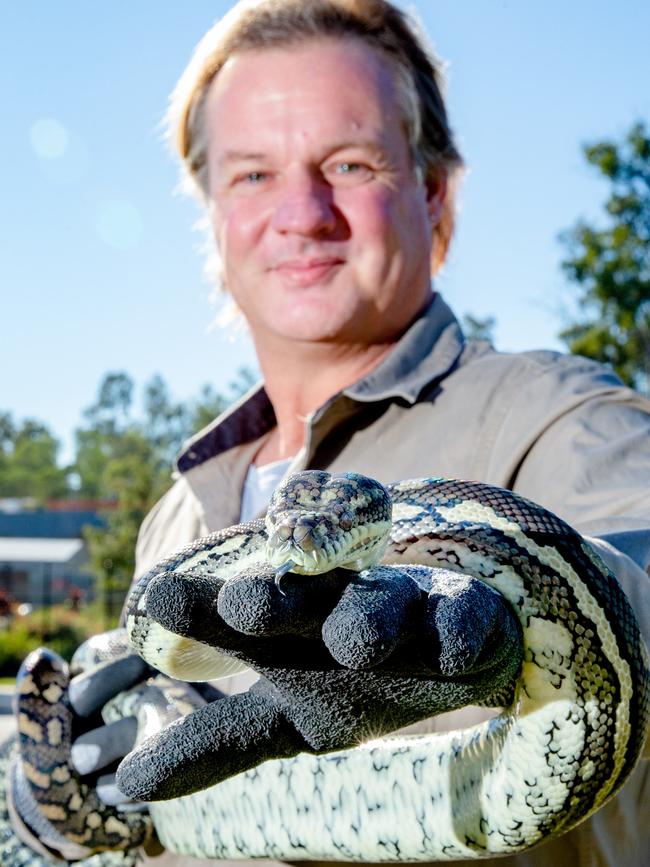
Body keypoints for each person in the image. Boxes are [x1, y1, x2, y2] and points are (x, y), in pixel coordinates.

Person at [4, 1, 649, 865]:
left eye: (348, 163)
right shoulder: (181, 510)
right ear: (214, 214)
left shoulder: (560, 414)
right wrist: (69, 807)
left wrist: (536, 627)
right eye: (253, 174)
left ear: (431, 188)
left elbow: (637, 558)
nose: (303, 213)